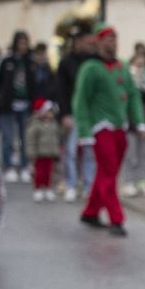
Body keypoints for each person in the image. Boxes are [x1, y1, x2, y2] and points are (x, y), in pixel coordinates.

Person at [72, 24, 145, 237]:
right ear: (98, 42)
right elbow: (81, 101)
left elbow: (133, 95)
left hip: (119, 127)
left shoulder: (122, 66)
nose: (112, 43)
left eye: (115, 38)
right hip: (100, 126)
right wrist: (85, 131)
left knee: (108, 172)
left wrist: (139, 121)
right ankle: (117, 218)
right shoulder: (90, 68)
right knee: (108, 172)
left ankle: (90, 211)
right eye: (108, 39)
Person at [55, 25, 97, 203]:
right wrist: (64, 114)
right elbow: (61, 90)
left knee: (89, 151)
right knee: (71, 151)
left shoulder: (94, 61)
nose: (88, 45)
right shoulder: (66, 62)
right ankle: (70, 184)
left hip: (91, 114)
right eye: (85, 42)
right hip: (73, 113)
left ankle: (88, 186)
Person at [0, 30, 41, 182]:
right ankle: (8, 166)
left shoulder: (31, 62)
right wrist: (0, 100)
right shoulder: (6, 60)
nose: (23, 46)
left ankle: (25, 166)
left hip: (26, 104)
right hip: (8, 105)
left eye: (25, 42)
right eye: (20, 42)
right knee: (8, 137)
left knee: (25, 137)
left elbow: (36, 83)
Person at [123, 45, 145, 198]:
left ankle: (141, 180)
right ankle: (128, 181)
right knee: (131, 154)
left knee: (144, 154)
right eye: (137, 64)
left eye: (143, 64)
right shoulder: (126, 80)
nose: (140, 68)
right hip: (131, 123)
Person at [24, 98, 63, 201]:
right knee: (39, 173)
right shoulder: (35, 125)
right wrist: (31, 153)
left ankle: (48, 189)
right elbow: (31, 139)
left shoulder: (54, 124)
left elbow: (59, 135)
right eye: (48, 111)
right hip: (40, 154)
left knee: (49, 173)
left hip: (51, 153)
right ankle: (38, 189)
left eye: (52, 111)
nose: (50, 114)